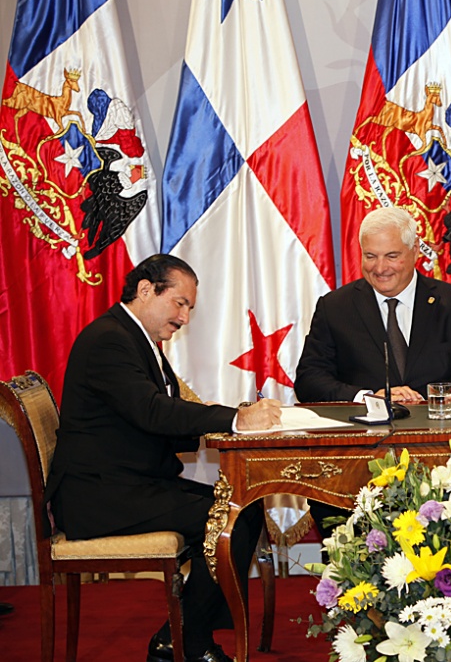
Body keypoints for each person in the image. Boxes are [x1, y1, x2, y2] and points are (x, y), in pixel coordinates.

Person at [43, 254, 283, 662]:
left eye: (189, 307)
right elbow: (152, 412)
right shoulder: (109, 341)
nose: (185, 318)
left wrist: (225, 421)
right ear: (145, 290)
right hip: (99, 497)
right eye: (180, 303)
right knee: (233, 521)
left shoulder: (134, 338)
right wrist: (235, 419)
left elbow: (160, 416)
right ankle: (190, 643)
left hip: (128, 484)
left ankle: (179, 635)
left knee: (244, 509)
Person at [294, 207, 451, 534]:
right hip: (359, 464)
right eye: (370, 256)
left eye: (391, 256)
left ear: (415, 251)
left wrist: (426, 397)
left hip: (440, 458)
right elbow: (309, 380)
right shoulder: (335, 307)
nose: (380, 268)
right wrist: (368, 397)